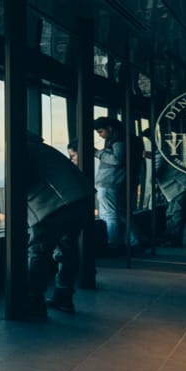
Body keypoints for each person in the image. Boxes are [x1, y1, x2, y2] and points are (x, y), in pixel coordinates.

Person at [27, 132, 94, 315]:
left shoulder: (25, 150)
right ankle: (64, 296)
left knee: (38, 251)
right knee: (67, 248)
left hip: (54, 205)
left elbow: (23, 181)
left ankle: (34, 300)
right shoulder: (43, 149)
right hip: (81, 200)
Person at [93, 116, 134, 252]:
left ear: (110, 128)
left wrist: (97, 153)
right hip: (113, 183)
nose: (100, 135)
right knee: (116, 214)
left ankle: (114, 244)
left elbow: (117, 160)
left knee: (109, 215)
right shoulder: (118, 141)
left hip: (109, 183)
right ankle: (131, 241)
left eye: (100, 131)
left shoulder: (118, 142)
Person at [153, 147, 186, 247]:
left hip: (182, 186)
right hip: (179, 187)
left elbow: (156, 171)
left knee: (176, 213)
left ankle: (175, 240)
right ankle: (171, 237)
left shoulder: (160, 153)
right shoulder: (162, 152)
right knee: (171, 213)